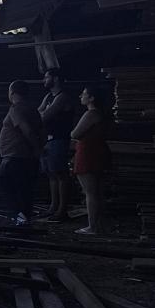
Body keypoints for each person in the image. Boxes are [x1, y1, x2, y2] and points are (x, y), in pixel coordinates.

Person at [0, 80, 44, 226]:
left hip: (15, 156)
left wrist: (37, 149)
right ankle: (24, 219)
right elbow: (41, 131)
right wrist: (38, 149)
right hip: (27, 157)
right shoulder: (33, 109)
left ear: (11, 92)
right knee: (25, 190)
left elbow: (27, 130)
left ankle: (19, 217)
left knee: (5, 185)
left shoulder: (16, 109)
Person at [70, 86, 111, 236]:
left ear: (92, 98)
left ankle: (92, 226)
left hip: (88, 153)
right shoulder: (99, 114)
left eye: (85, 93)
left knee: (90, 192)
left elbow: (75, 133)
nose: (81, 96)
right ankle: (98, 225)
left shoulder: (91, 114)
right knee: (96, 192)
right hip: (96, 152)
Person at [38, 68, 76, 221]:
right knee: (51, 174)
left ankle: (62, 210)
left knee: (60, 174)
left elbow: (44, 117)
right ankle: (53, 207)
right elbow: (37, 114)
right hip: (47, 140)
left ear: (56, 79)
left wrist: (43, 113)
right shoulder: (48, 97)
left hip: (59, 139)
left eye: (47, 77)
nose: (44, 80)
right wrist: (42, 113)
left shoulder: (62, 98)